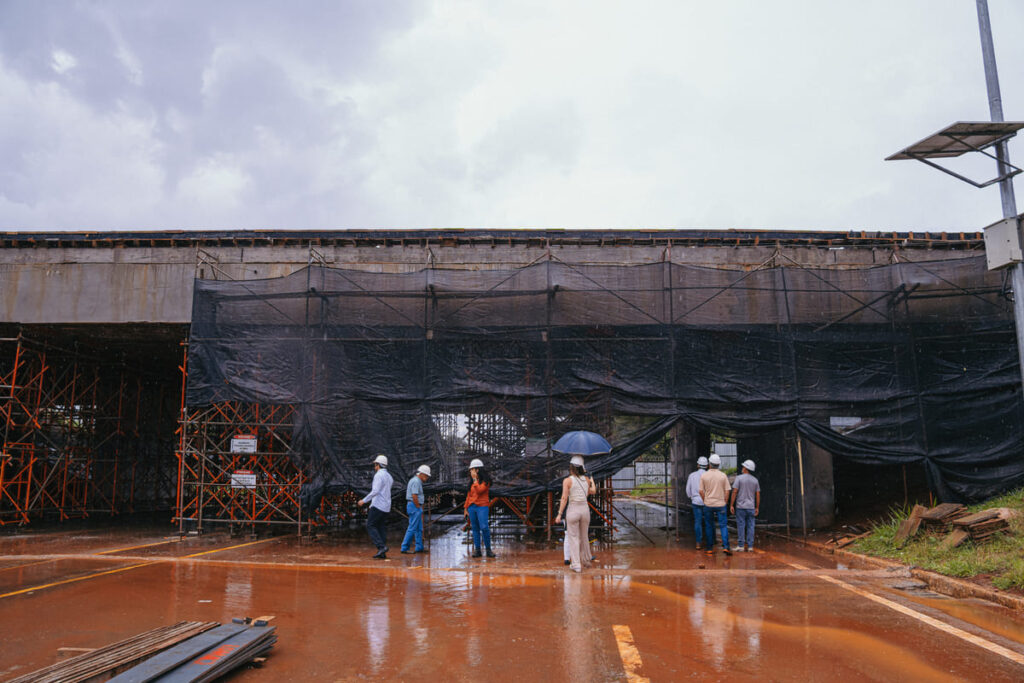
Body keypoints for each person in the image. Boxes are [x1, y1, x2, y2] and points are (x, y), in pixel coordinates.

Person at [554, 455, 596, 573]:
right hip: (584, 509)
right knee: (584, 536)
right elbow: (589, 493)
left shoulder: (567, 480)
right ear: (582, 468)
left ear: (571, 467)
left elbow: (564, 498)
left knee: (573, 537)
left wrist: (559, 514)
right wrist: (589, 478)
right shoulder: (587, 480)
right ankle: (586, 560)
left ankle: (576, 564)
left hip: (573, 509)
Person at [357, 454, 394, 559]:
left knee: (371, 525)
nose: (374, 467)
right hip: (386, 506)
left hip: (378, 505)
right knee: (381, 527)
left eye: (375, 465)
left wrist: (364, 500)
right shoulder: (389, 477)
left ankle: (381, 547)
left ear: (378, 465)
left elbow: (375, 491)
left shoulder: (378, 475)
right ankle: (382, 552)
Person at [699, 453, 732, 555]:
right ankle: (726, 547)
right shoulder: (723, 476)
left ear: (709, 464)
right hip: (720, 504)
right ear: (718, 464)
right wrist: (725, 501)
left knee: (709, 526)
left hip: (708, 504)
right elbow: (727, 490)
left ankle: (709, 548)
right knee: (723, 526)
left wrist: (705, 500)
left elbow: (700, 491)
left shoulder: (704, 476)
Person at [463, 458, 495, 558]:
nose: (470, 471)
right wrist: (465, 508)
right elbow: (469, 496)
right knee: (475, 528)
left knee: (484, 527)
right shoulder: (471, 483)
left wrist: (475, 480)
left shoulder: (486, 481)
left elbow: (480, 490)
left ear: (477, 470)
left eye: (472, 469)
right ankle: (477, 550)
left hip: (482, 507)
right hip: (472, 507)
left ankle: (488, 549)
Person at [730, 459, 761, 552]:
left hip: (740, 507)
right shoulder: (755, 480)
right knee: (751, 526)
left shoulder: (739, 478)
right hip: (751, 507)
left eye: (743, 467)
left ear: (746, 468)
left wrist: (731, 504)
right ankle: (750, 546)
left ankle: (741, 545)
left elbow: (734, 491)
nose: (742, 468)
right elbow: (758, 494)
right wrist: (757, 507)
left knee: (741, 526)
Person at [401, 465, 431, 554]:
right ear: (421, 474)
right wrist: (418, 506)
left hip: (414, 506)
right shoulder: (416, 481)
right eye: (426, 476)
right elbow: (414, 495)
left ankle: (419, 547)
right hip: (414, 506)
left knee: (419, 528)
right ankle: (404, 547)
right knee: (412, 527)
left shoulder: (417, 481)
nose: (427, 478)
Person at [686, 456, 712, 550]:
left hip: (696, 502)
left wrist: (692, 497)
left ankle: (698, 543)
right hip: (707, 502)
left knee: (698, 522)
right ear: (707, 466)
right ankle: (710, 543)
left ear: (698, 465)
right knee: (709, 522)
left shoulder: (692, 475)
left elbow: (688, 490)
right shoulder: (709, 475)